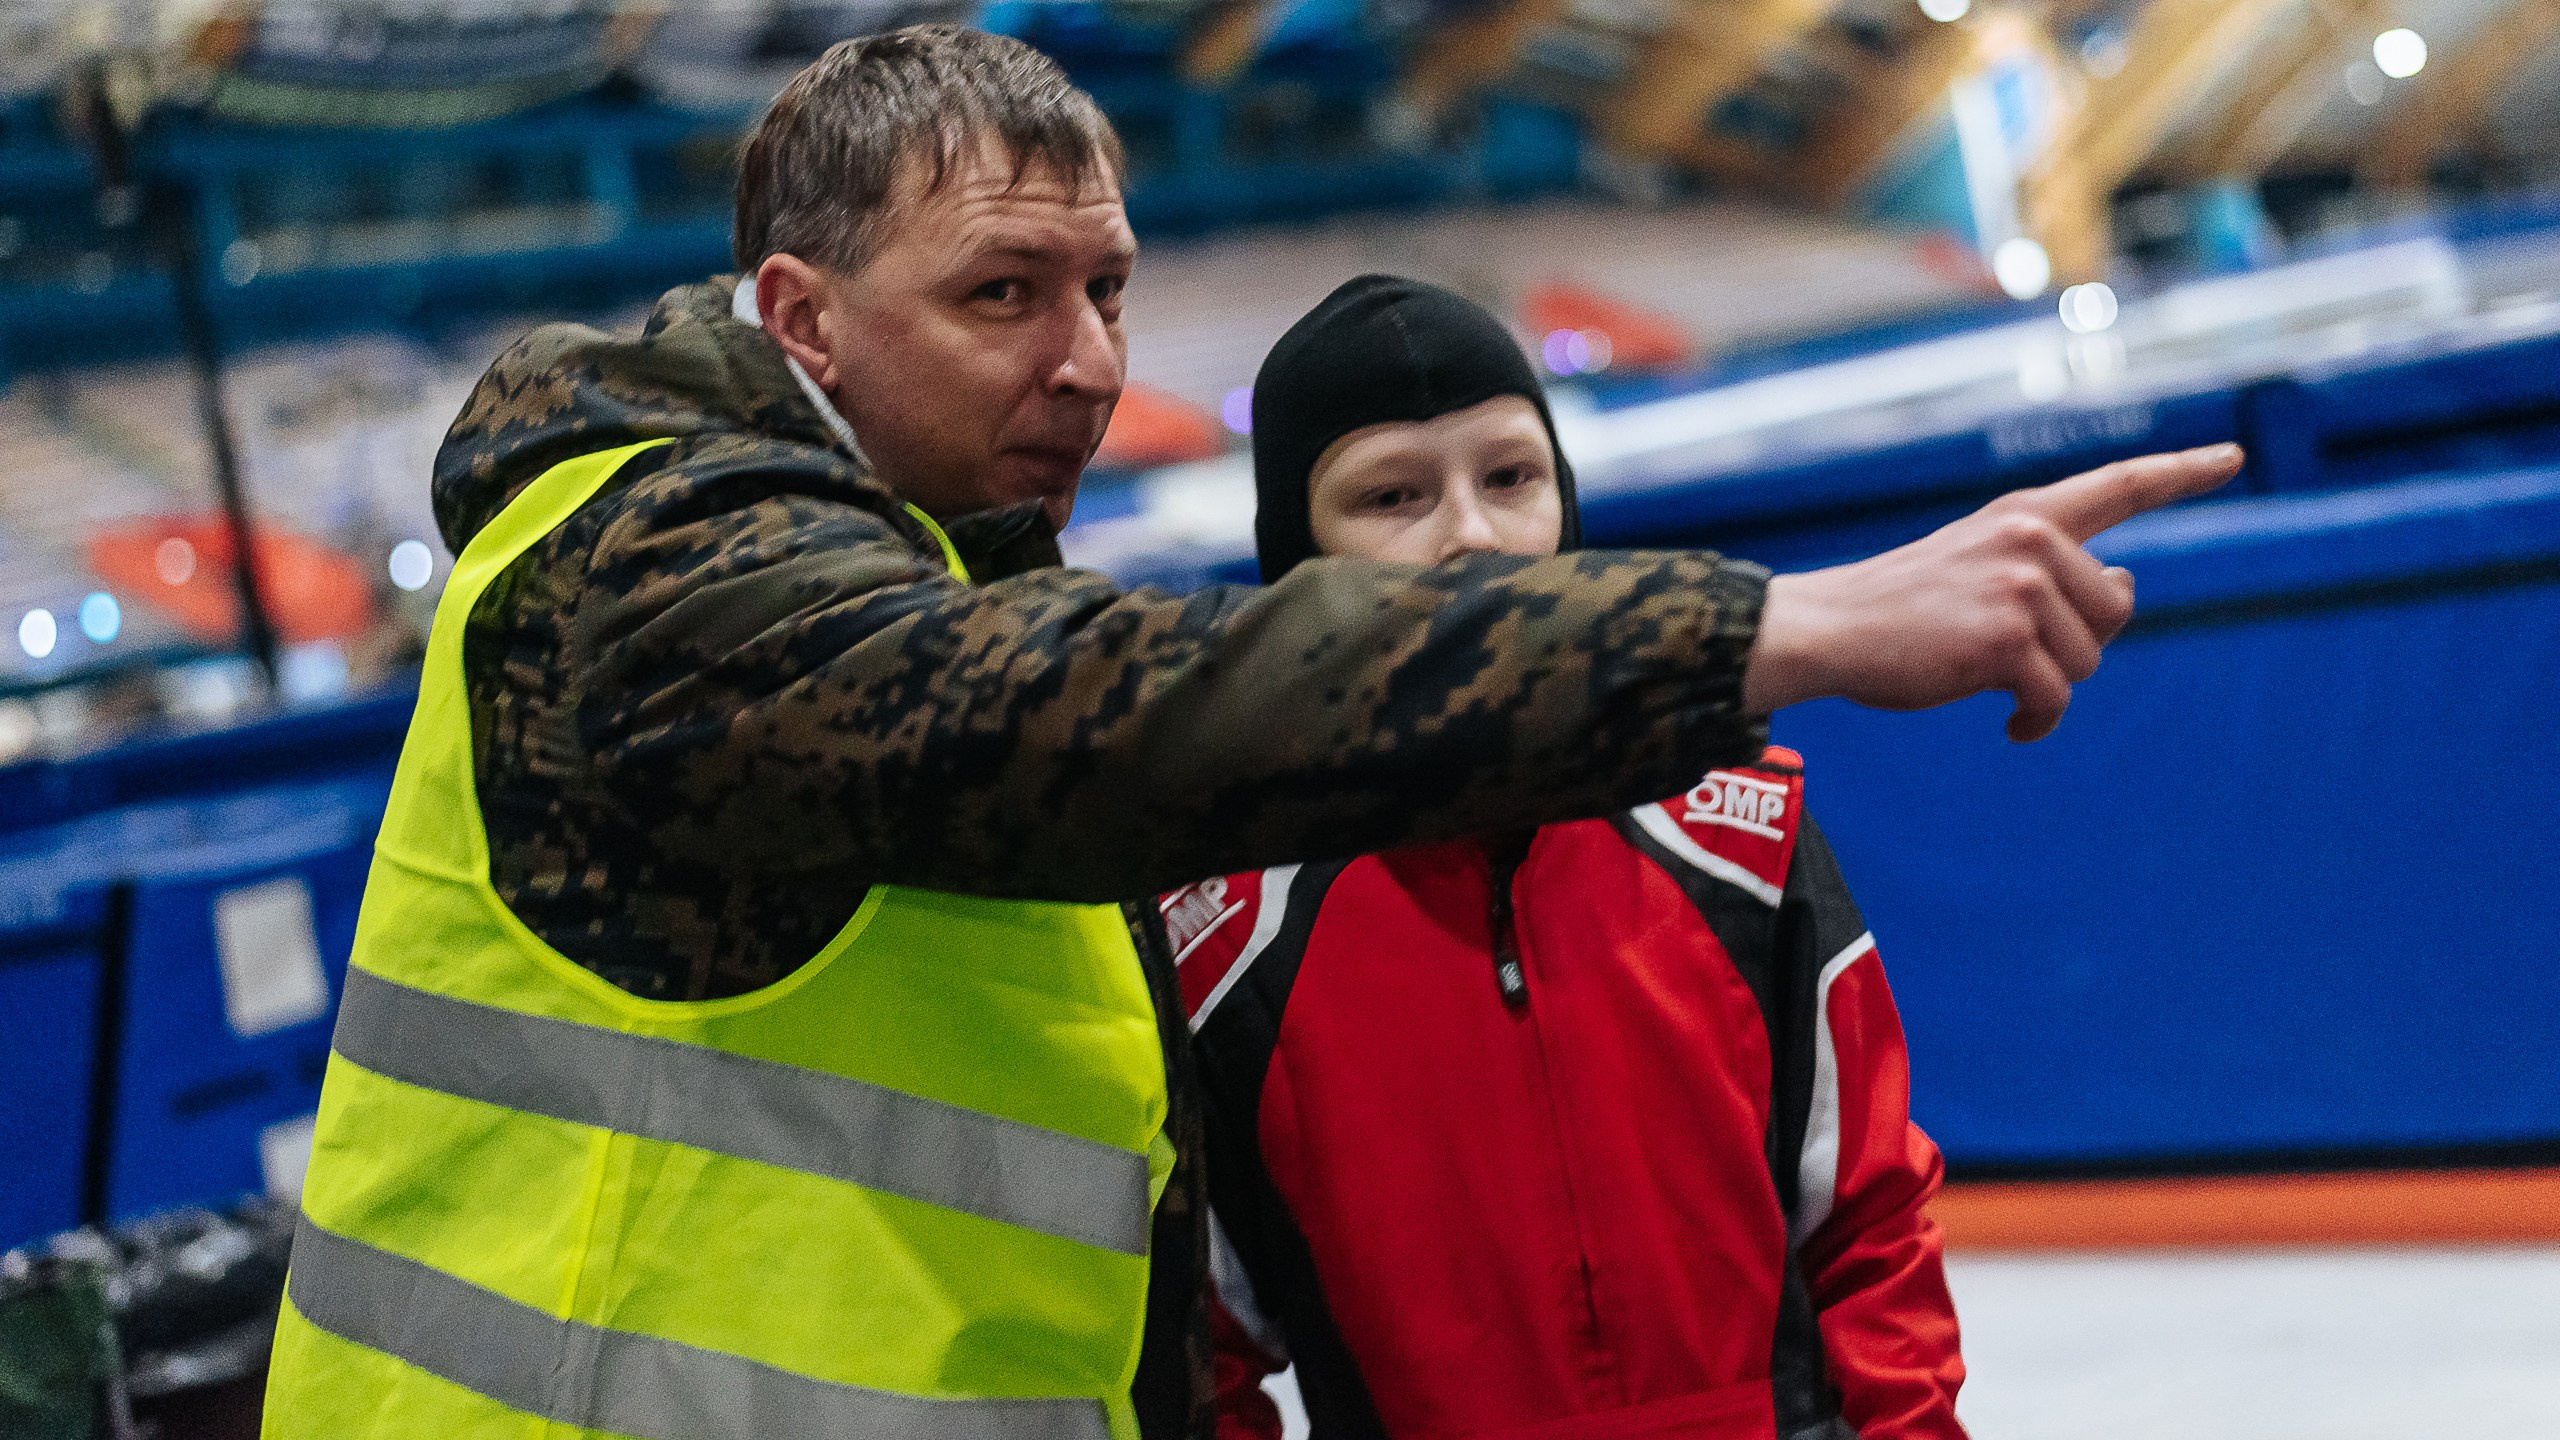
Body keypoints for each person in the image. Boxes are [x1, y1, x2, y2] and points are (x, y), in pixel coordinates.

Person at [260, 25, 2238, 1440]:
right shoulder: (663, 562)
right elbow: (1101, 724)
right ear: (802, 317)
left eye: (1107, 287)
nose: (1090, 359)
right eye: (1003, 293)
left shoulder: (958, 583)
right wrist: (1775, 626)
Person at [1169, 277, 1961, 1440]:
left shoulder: (1739, 834)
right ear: (1298, 560)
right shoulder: (1226, 936)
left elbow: (1868, 1224)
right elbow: (1208, 1355)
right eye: (1391, 495)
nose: (1472, 535)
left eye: (1509, 476)